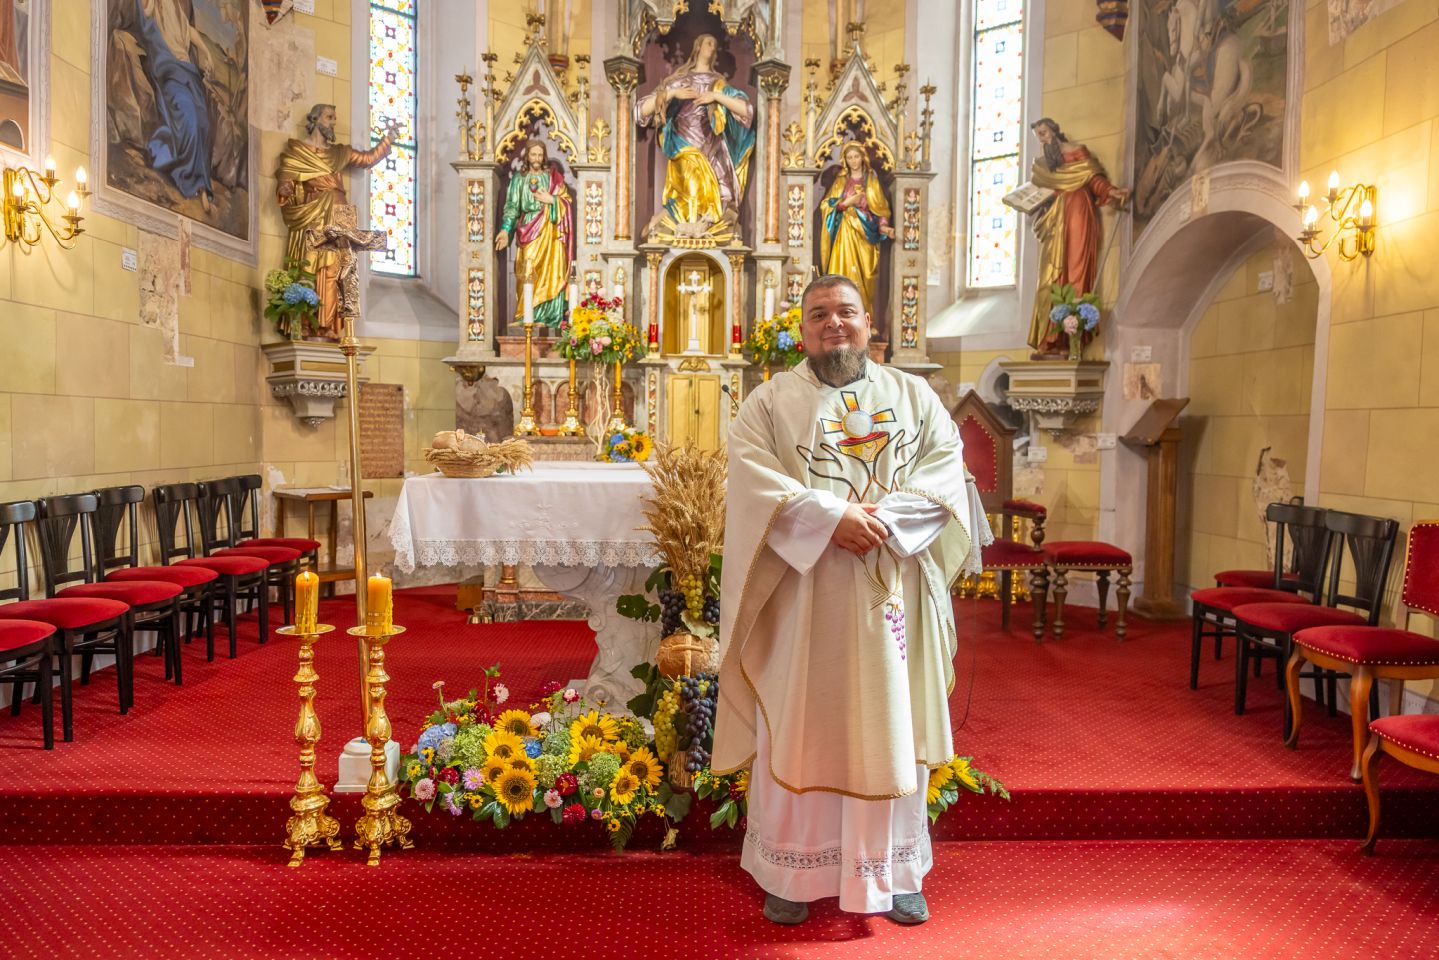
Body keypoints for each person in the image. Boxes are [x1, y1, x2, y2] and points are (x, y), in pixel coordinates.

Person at [712, 274, 986, 926]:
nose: (832, 323)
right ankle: (792, 872)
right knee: (799, 719)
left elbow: (946, 469)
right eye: (818, 314)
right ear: (801, 331)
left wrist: (881, 522)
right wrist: (830, 518)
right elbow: (750, 479)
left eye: (845, 312)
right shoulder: (769, 403)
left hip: (890, 588)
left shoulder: (913, 396)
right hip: (802, 598)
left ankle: (894, 871)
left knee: (891, 721)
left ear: (869, 323)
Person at [275, 104, 400, 340]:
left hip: (341, 215)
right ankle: (305, 323)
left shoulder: (339, 153)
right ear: (315, 119)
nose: (333, 122)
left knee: (337, 270)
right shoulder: (298, 152)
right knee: (309, 265)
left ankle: (330, 325)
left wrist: (388, 140)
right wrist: (285, 187)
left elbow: (367, 158)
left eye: (335, 118)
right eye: (329, 117)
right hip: (313, 214)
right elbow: (287, 178)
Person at [1025, 117, 1129, 358]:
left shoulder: (1078, 152)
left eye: (1044, 132)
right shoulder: (1044, 165)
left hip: (1078, 213)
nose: (1042, 139)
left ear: (1054, 131)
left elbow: (1093, 180)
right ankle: (1048, 339)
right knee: (1049, 279)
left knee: (1075, 273)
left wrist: (1111, 191)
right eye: (1038, 136)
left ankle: (1070, 340)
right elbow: (1040, 192)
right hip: (1054, 220)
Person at [635, 33, 754, 235]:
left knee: (722, 201)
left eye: (715, 44)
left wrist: (715, 96)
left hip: (713, 149)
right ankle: (661, 222)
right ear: (698, 47)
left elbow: (746, 111)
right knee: (691, 191)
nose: (713, 47)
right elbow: (640, 111)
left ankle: (689, 229)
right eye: (709, 43)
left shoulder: (719, 84)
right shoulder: (681, 81)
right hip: (685, 146)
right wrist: (673, 93)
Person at [494, 140, 574, 330]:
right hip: (528, 229)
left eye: (540, 154)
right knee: (527, 271)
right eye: (533, 154)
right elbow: (512, 207)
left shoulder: (553, 177)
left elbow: (566, 201)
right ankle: (527, 315)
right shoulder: (519, 179)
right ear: (527, 156)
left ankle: (549, 318)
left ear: (543, 156)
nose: (537, 158)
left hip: (551, 231)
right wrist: (505, 229)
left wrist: (552, 200)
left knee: (552, 272)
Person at [819, 143, 895, 319]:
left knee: (866, 277)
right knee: (842, 274)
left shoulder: (871, 181)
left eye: (856, 156)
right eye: (849, 157)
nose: (853, 161)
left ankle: (864, 319)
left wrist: (883, 226)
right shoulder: (841, 181)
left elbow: (881, 209)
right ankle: (839, 316)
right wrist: (846, 203)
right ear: (845, 160)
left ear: (862, 157)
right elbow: (826, 205)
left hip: (866, 235)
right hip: (844, 234)